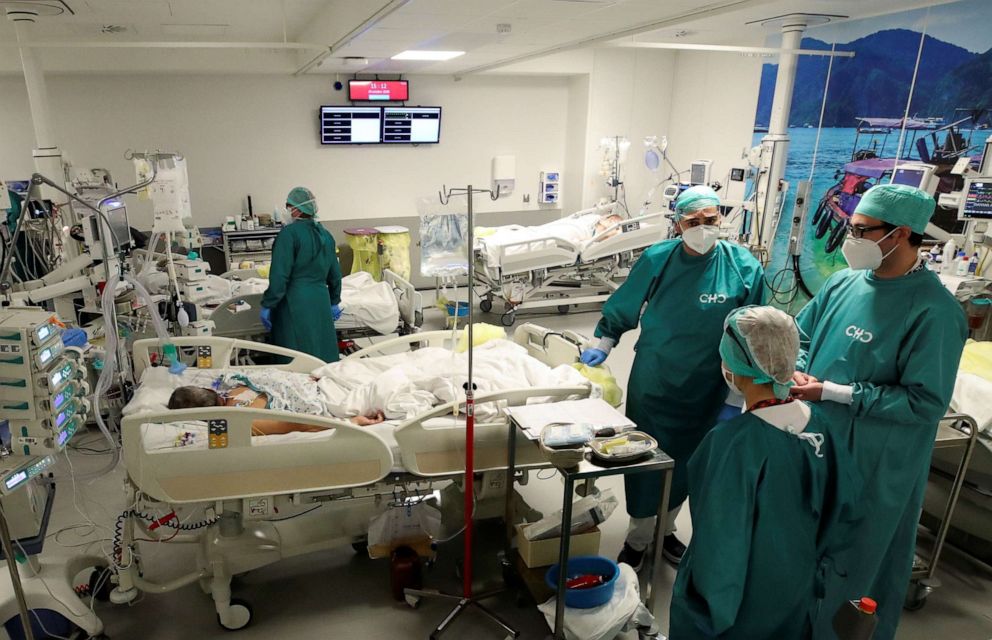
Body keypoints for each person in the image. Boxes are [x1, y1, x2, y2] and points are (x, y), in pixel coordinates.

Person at [790, 184, 967, 640]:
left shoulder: (934, 310)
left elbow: (924, 402)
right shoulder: (841, 283)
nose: (852, 239)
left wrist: (836, 392)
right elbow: (802, 340)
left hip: (877, 461)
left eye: (862, 231)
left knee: (858, 563)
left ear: (901, 234)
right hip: (819, 442)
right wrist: (798, 373)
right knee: (803, 550)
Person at [580, 185, 765, 567]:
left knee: (688, 465)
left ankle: (665, 531)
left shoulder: (743, 266)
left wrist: (736, 398)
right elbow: (626, 303)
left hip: (712, 387)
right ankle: (638, 536)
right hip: (657, 381)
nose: (701, 228)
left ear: (720, 219)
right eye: (692, 221)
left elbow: (756, 332)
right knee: (644, 460)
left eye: (709, 220)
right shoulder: (659, 259)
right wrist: (605, 340)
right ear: (678, 224)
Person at [669, 306, 857, 639]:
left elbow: (719, 546)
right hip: (795, 587)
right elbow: (841, 510)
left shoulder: (732, 445)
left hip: (741, 602)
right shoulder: (819, 423)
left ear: (737, 368)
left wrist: (705, 613)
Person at [260, 187, 343, 362]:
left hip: (295, 302)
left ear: (297, 209)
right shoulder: (326, 235)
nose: (287, 211)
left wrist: (268, 304)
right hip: (320, 301)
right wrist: (334, 301)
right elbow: (335, 275)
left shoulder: (288, 235)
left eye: (288, 206)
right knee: (322, 354)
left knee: (295, 357)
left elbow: (279, 276)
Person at [167, 385, 385, 433]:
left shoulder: (236, 398)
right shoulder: (236, 394)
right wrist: (351, 423)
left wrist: (351, 422)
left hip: (328, 392)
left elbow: (299, 421)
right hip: (330, 394)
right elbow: (297, 422)